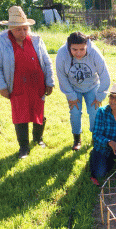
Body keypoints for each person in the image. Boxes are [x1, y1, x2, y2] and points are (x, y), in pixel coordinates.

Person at [0, 6, 54, 159]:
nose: (23, 33)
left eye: (25, 29)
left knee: (38, 111)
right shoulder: (2, 42)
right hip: (17, 86)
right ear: (10, 29)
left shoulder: (36, 40)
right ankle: (23, 147)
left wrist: (49, 82)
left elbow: (47, 62)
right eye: (18, 30)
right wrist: (2, 87)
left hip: (37, 84)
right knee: (20, 115)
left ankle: (38, 139)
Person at [56, 32, 110, 151]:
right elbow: (61, 77)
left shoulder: (95, 53)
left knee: (94, 111)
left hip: (92, 86)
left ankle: (95, 137)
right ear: (69, 47)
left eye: (82, 49)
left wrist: (100, 96)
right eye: (74, 50)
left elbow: (105, 76)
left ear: (87, 46)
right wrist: (71, 95)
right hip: (72, 87)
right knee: (75, 112)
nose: (78, 53)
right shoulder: (61, 54)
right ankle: (77, 139)